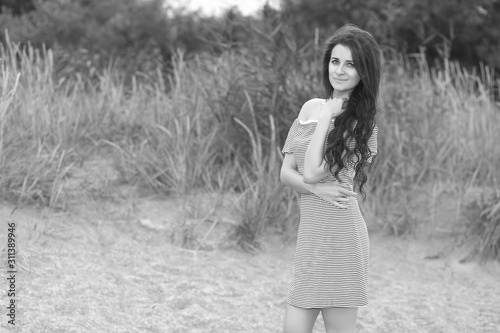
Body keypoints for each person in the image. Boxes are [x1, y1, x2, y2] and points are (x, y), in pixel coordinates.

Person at [280, 24, 381, 333]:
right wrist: (318, 192)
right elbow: (286, 173)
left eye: (350, 64)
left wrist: (327, 117)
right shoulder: (310, 107)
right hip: (311, 237)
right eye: (335, 61)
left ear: (364, 71)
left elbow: (310, 171)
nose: (340, 70)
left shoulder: (361, 124)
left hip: (342, 237)